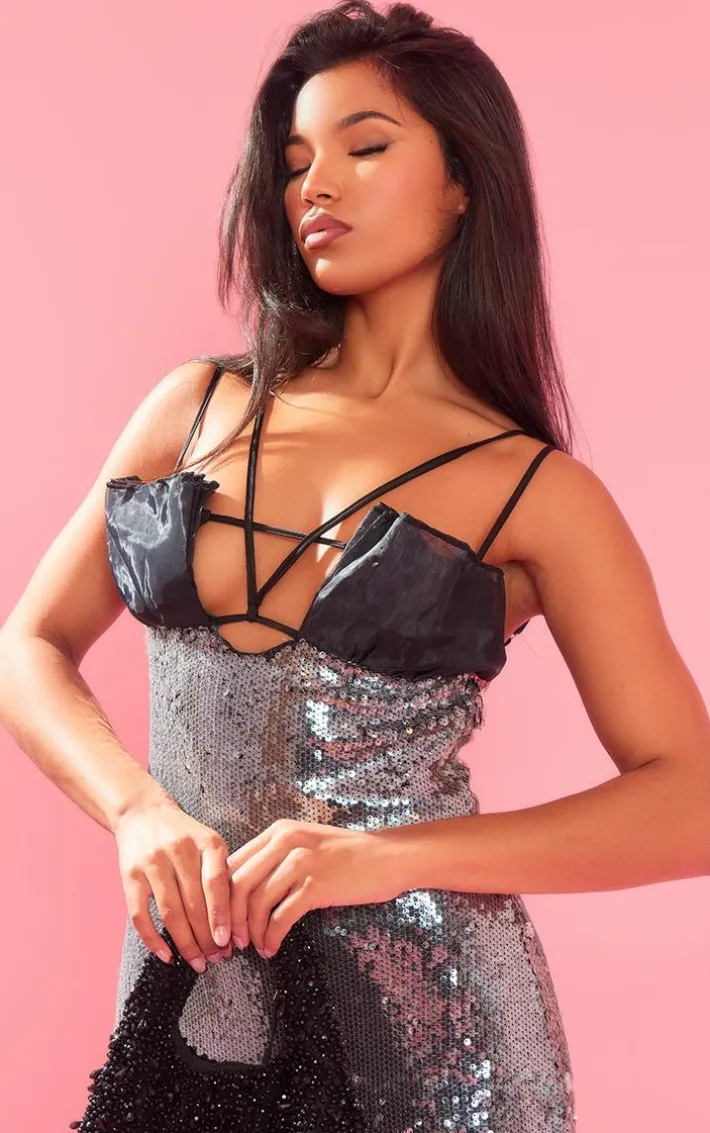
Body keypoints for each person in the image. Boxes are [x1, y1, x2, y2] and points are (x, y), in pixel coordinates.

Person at [1, 2, 709, 1130]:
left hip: (434, 1033)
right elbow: (28, 645)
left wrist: (388, 856)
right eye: (294, 163)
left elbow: (690, 800)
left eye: (364, 146)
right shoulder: (195, 409)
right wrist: (135, 809)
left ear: (462, 181)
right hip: (191, 1005)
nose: (314, 186)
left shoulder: (535, 491)